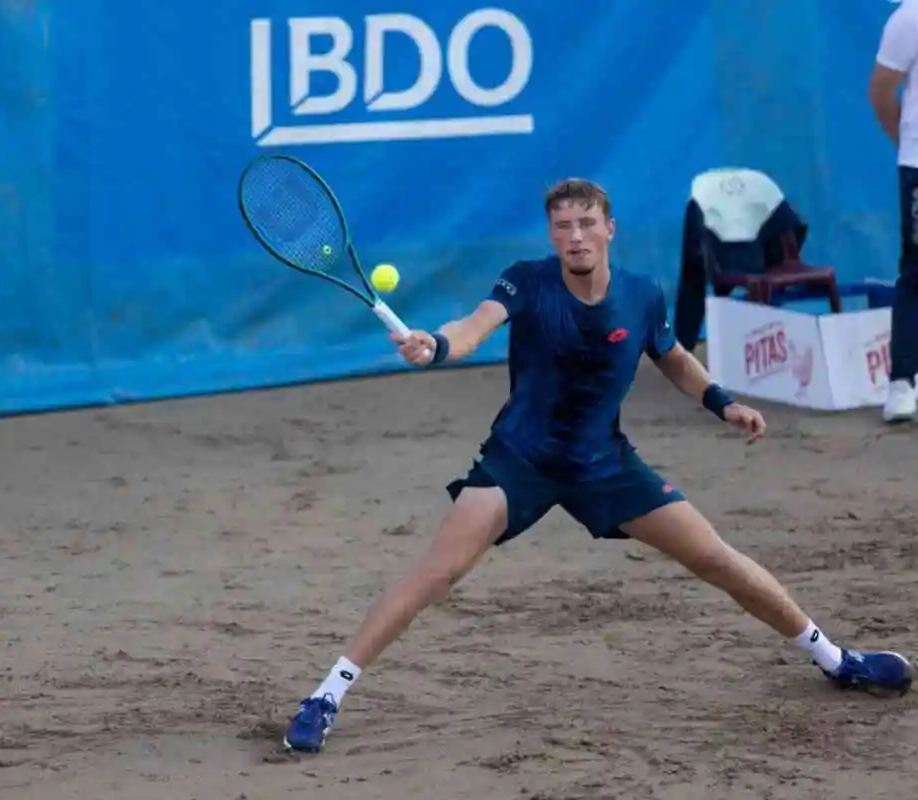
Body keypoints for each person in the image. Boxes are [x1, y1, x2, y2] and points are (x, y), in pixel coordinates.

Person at [282, 179, 915, 754]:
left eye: (586, 223)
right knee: (436, 572)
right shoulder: (525, 281)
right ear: (551, 234)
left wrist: (723, 403)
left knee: (716, 557)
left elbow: (670, 357)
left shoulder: (641, 295)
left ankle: (835, 659)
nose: (575, 236)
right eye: (562, 226)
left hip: (603, 462)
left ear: (609, 228)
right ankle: (326, 695)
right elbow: (474, 327)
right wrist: (439, 344)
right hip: (521, 459)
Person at [870, 0, 918, 422]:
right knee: (917, 273)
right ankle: (903, 382)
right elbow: (882, 89)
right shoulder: (909, 17)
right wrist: (906, 142)